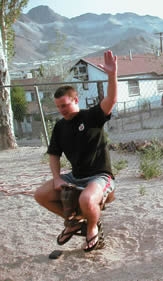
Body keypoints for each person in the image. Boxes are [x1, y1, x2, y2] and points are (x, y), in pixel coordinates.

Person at [34, 50, 118, 252]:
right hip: (75, 176)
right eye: (58, 106)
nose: (62, 109)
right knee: (41, 195)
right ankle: (73, 223)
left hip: (100, 176)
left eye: (65, 105)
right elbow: (54, 154)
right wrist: (57, 178)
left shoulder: (91, 117)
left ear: (76, 100)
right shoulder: (60, 127)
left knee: (87, 200)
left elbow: (111, 99)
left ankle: (91, 228)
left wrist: (112, 75)